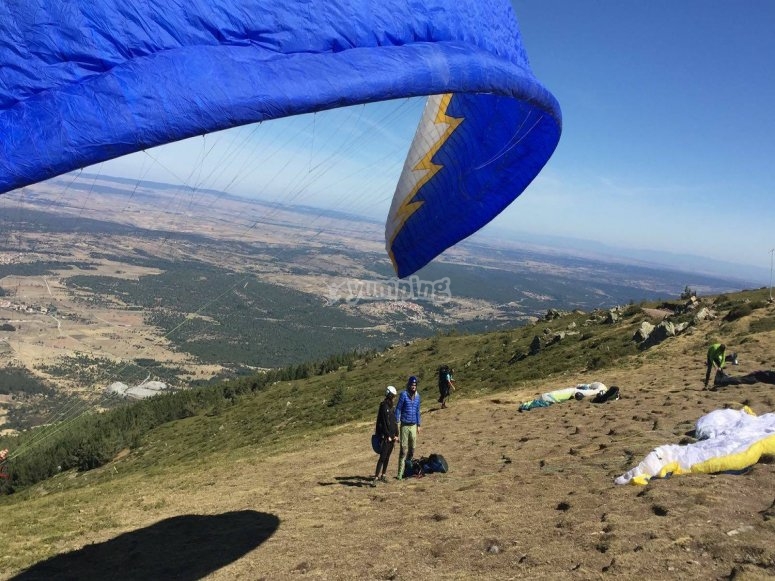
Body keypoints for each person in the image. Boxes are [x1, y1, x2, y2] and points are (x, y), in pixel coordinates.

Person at [371, 386, 399, 486]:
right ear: (390, 395)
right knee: (382, 457)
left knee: (387, 457)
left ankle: (383, 475)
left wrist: (396, 434)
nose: (395, 398)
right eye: (394, 396)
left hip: (392, 436)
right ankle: (375, 478)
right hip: (386, 437)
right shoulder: (384, 406)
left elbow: (394, 421)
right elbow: (383, 423)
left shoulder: (391, 406)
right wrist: (387, 435)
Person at [395, 375, 421, 480]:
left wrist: (419, 425)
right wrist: (397, 421)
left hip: (414, 425)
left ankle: (407, 470)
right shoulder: (403, 395)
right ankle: (400, 474)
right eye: (412, 385)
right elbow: (398, 409)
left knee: (412, 450)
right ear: (409, 385)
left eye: (415, 385)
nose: (413, 387)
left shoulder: (418, 397)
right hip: (405, 425)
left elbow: (418, 411)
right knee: (403, 450)